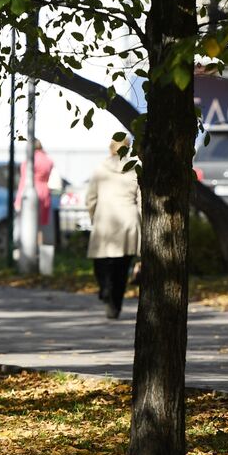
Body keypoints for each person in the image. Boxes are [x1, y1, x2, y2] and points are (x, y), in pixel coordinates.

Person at [86, 136, 141, 319]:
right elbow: (141, 200)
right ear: (128, 148)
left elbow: (91, 198)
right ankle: (115, 304)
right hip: (128, 221)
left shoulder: (101, 168)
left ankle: (104, 288)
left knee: (101, 262)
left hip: (105, 218)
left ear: (110, 148)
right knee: (121, 267)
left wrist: (94, 215)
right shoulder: (135, 168)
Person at [16, 139, 54, 245]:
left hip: (31, 190)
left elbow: (23, 181)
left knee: (28, 223)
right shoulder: (48, 160)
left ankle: (29, 251)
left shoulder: (30, 161)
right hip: (44, 192)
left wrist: (18, 201)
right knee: (40, 226)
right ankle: (40, 250)